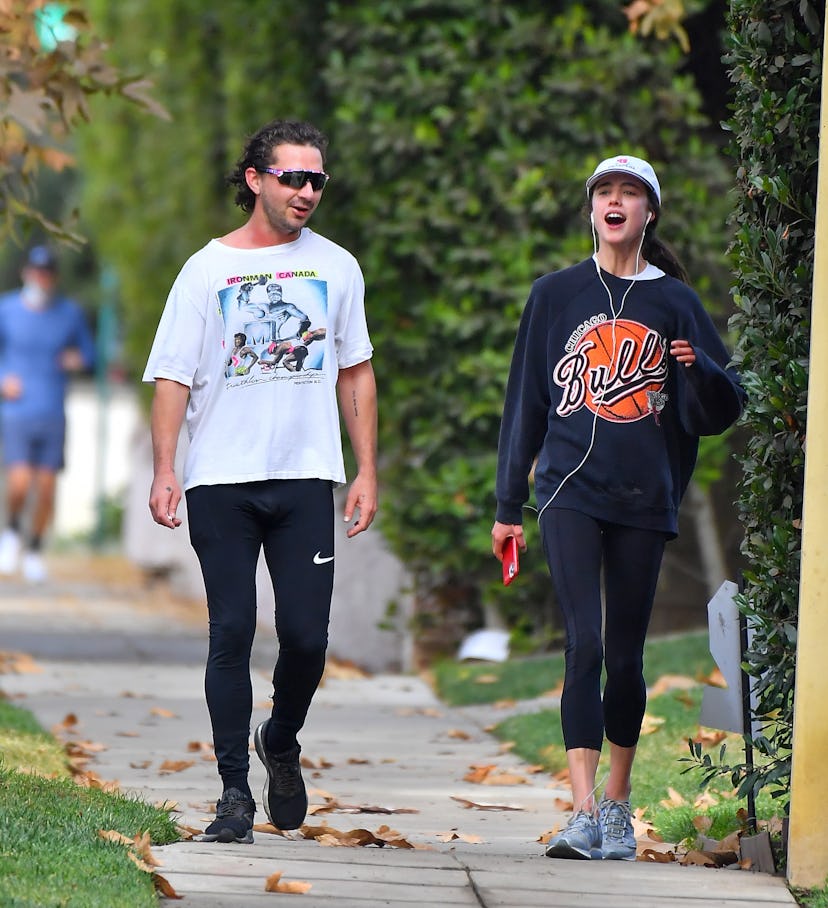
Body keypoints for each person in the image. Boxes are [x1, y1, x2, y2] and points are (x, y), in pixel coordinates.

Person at [492, 155, 745, 862]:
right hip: (567, 492)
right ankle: (579, 811)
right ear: (592, 209)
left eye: (630, 192)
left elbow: (719, 408)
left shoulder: (675, 302)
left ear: (649, 212)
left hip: (644, 497)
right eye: (604, 191)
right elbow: (526, 403)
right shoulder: (554, 295)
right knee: (587, 645)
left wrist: (696, 368)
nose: (615, 201)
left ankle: (616, 807)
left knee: (627, 659)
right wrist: (509, 502)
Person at [143, 119, 377, 846]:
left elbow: (356, 370)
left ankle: (279, 738)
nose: (307, 191)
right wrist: (165, 469)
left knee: (307, 638)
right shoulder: (205, 270)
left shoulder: (337, 266)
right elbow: (173, 377)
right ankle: (233, 797)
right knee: (232, 632)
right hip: (221, 479)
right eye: (292, 178)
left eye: (317, 180)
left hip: (307, 477)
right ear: (256, 179)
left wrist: (366, 469)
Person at [0, 245, 95, 583]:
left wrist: (77, 360)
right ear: (27, 272)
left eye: (47, 272)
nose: (41, 278)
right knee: (20, 481)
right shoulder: (6, 309)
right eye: (37, 271)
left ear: (53, 276)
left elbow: (89, 353)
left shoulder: (68, 313)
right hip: (17, 410)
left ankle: (36, 548)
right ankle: (11, 532)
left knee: (48, 487)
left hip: (52, 408)